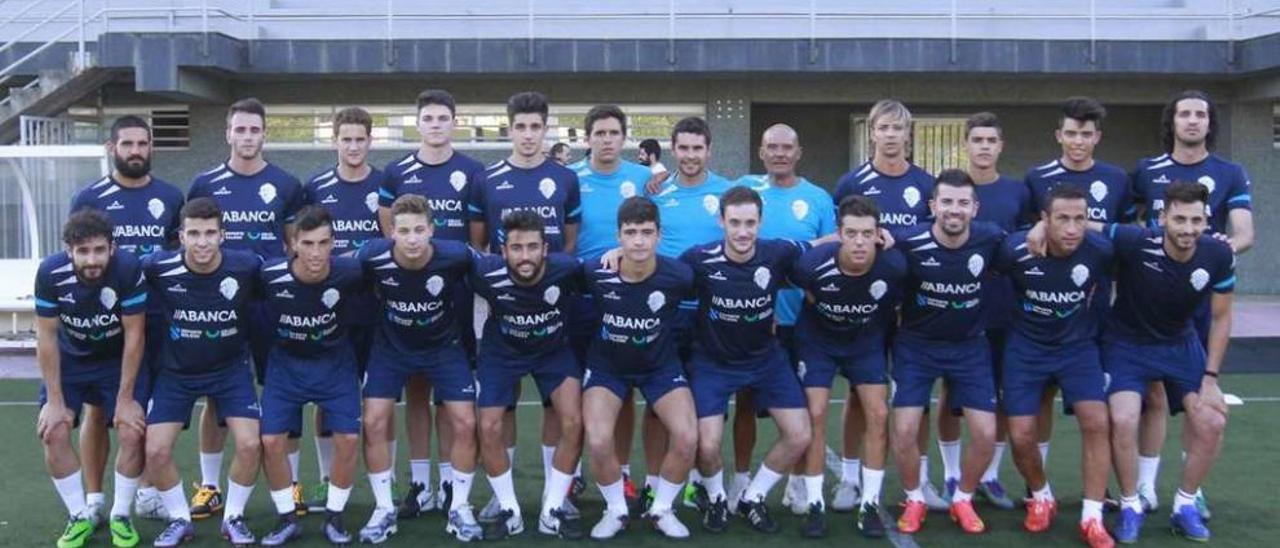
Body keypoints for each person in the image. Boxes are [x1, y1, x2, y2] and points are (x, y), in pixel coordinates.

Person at [1127, 89, 1254, 518]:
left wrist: (1221, 247)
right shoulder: (1146, 170)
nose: (1193, 121)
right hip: (1156, 297)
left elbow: (1244, 233)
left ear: (1209, 123)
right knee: (1153, 396)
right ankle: (1145, 488)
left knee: (1200, 399)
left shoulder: (1230, 172)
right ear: (1173, 121)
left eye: (1201, 114)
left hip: (1201, 296)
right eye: (1185, 113)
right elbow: (1130, 228)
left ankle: (1190, 488)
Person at [469, 91, 585, 523]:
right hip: (503, 308)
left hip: (553, 307)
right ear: (510, 129)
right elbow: (478, 244)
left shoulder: (565, 178)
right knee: (503, 406)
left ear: (546, 129)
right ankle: (505, 495)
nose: (529, 135)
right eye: (521, 127)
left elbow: (569, 243)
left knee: (560, 407)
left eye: (537, 127)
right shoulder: (488, 178)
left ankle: (560, 495)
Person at [186, 98, 304, 519]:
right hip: (221, 307)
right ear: (228, 133)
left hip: (271, 305)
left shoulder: (287, 185)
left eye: (255, 130)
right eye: (241, 129)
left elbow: (294, 245)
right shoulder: (205, 183)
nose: (248, 137)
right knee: (219, 396)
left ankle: (290, 485)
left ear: (265, 134)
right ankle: (211, 487)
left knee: (283, 392)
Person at [1098, 181, 1234, 543]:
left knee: (1212, 419)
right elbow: (1084, 225)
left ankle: (1185, 505)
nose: (1188, 229)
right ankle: (1130, 505)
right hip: (1126, 343)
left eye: (1196, 220)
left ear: (1206, 221)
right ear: (1162, 218)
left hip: (1179, 343)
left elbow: (1221, 318)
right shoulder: (1133, 241)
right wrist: (1039, 226)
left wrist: (1211, 377)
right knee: (1123, 418)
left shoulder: (1218, 255)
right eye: (1179, 219)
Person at [68, 114, 184, 523]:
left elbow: (178, 256)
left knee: (147, 408)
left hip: (154, 318)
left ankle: (148, 492)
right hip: (103, 324)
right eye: (127, 144)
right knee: (100, 410)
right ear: (111, 148)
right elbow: (76, 260)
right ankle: (96, 499)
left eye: (142, 144)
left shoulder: (171, 197)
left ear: (151, 147)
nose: (136, 151)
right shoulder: (89, 197)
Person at [378, 89, 487, 516]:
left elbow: (476, 237)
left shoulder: (473, 171)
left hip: (455, 296)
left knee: (451, 395)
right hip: (408, 298)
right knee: (417, 392)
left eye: (444, 117)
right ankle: (420, 485)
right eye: (429, 118)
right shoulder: (397, 171)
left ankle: (448, 484)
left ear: (454, 122)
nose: (436, 125)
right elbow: (390, 230)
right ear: (418, 123)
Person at [832, 99, 945, 512]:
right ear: (872, 132)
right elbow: (839, 244)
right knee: (862, 396)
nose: (892, 135)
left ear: (908, 134)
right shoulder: (851, 183)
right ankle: (848, 478)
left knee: (918, 394)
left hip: (916, 304)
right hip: (866, 307)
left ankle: (923, 479)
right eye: (884, 128)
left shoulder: (926, 184)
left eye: (899, 128)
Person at [682, 186, 814, 535]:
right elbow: (657, 273)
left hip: (765, 360)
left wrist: (878, 237)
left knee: (800, 435)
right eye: (735, 222)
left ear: (761, 222)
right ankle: (716, 499)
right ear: (721, 221)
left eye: (750, 223)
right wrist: (621, 252)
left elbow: (822, 246)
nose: (743, 232)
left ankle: (752, 497)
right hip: (713, 362)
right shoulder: (698, 259)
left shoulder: (779, 252)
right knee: (707, 444)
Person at [355, 195, 482, 543]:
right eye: (405, 230)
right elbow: (334, 272)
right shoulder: (371, 255)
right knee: (373, 420)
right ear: (391, 231)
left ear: (432, 230)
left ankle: (460, 506)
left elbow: (497, 269)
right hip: (391, 349)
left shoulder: (456, 255)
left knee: (466, 421)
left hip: (444, 348)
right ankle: (383, 509)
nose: (412, 238)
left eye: (419, 230)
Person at [996, 185, 1115, 547]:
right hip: (1026, 349)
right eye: (1062, 218)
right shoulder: (1014, 250)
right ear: (1044, 220)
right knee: (1019, 433)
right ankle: (1041, 495)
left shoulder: (1101, 250)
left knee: (1097, 421)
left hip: (1077, 349)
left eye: (1080, 219)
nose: (1072, 228)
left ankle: (1092, 517)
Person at [141, 198, 264, 547]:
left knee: (251, 443)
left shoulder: (247, 266)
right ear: (181, 236)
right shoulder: (158, 267)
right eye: (194, 233)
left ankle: (233, 517)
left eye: (210, 233)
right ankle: (180, 519)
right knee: (156, 451)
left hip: (230, 370)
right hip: (176, 373)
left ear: (223, 235)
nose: (202, 242)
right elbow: (119, 272)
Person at [888, 169, 1004, 535]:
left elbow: (1024, 246)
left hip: (969, 347)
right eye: (948, 202)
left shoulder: (991, 239)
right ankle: (915, 497)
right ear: (933, 205)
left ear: (975, 207)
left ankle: (963, 498)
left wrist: (1036, 231)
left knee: (986, 433)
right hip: (916, 346)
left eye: (963, 203)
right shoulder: (907, 240)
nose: (955, 210)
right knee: (905, 430)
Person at [581, 196, 699, 539]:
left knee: (688, 436)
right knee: (601, 440)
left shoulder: (679, 275)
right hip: (607, 368)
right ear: (618, 235)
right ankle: (615, 509)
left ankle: (661, 509)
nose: (638, 241)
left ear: (659, 235)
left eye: (646, 232)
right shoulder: (595, 271)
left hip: (659, 366)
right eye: (630, 232)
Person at [789, 196, 905, 538]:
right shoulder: (811, 264)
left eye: (866, 234)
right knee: (816, 412)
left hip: (865, 342)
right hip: (818, 342)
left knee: (879, 414)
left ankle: (868, 503)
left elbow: (895, 308)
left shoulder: (893, 267)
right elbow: (804, 291)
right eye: (851, 233)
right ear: (839, 233)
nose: (858, 241)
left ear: (878, 235)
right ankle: (814, 504)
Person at [934, 111, 1033, 509]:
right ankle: (951, 473)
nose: (985, 147)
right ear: (967, 144)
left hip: (1006, 308)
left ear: (1000, 146)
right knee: (949, 395)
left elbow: (1031, 239)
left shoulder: (1018, 192)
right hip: (958, 312)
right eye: (977, 140)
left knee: (1004, 396)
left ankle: (990, 474)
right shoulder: (951, 191)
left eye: (991, 140)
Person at [737, 124, 836, 518]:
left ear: (799, 152)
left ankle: (796, 482)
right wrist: (661, 176)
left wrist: (801, 249)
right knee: (745, 403)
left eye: (787, 147)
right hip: (750, 321)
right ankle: (740, 479)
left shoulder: (817, 198)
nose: (779, 153)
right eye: (772, 147)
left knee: (799, 405)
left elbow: (832, 245)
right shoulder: (745, 189)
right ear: (761, 152)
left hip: (801, 321)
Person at [35, 209, 149, 548]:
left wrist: (125, 400)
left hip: (117, 361)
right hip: (72, 361)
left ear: (112, 248)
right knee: (53, 430)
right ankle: (78, 515)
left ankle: (121, 515)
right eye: (83, 251)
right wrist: (55, 402)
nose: (92, 259)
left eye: (99, 250)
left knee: (132, 430)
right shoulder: (50, 272)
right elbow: (46, 338)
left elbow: (135, 336)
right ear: (68, 250)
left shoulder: (128, 269)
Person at [471, 211, 585, 540]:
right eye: (516, 248)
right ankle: (509, 509)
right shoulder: (484, 272)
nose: (525, 256)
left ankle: (553, 506)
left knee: (574, 421)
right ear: (503, 250)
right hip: (501, 352)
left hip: (553, 352)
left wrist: (617, 253)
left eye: (532, 247)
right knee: (489, 424)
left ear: (545, 249)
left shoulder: (567, 269)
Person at [256, 206, 365, 546]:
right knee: (271, 440)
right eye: (308, 243)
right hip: (285, 366)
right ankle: (286, 517)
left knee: (347, 438)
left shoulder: (350, 271)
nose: (316, 252)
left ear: (334, 243)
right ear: (292, 243)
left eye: (323, 242)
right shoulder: (269, 275)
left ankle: (335, 516)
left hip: (335, 364)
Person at [570, 105, 662, 509]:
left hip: (632, 302)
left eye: (613, 133)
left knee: (623, 390)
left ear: (624, 137)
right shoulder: (570, 178)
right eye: (599, 133)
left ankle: (622, 474)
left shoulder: (644, 178)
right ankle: (570, 475)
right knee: (576, 394)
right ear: (587, 137)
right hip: (581, 299)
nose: (606, 140)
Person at [299, 106, 386, 514]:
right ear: (335, 141)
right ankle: (323, 481)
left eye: (360, 139)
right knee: (324, 397)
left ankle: (384, 488)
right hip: (329, 312)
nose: (353, 146)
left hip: (375, 308)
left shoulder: (387, 185)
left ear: (370, 141)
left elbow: (391, 245)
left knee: (378, 401)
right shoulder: (316, 186)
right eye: (345, 139)